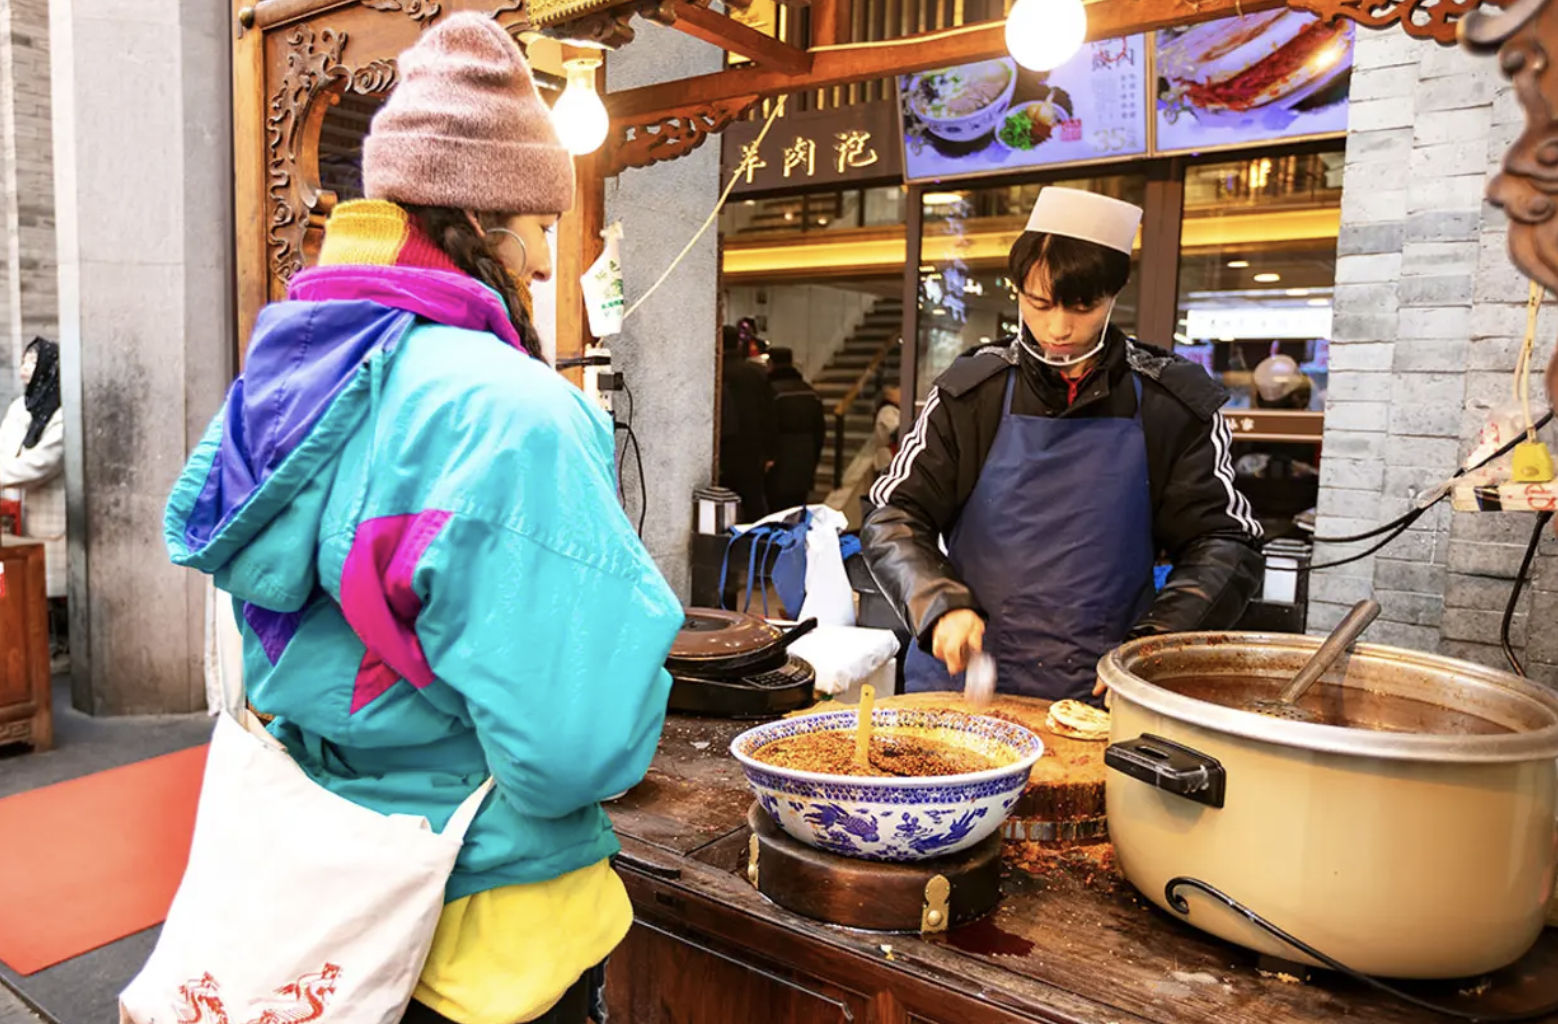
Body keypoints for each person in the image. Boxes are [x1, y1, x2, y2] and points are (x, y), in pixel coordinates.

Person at [162, 16, 682, 1024]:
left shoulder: (285, 385)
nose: (539, 267)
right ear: (482, 224)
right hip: (488, 930)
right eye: (536, 232)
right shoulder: (513, 414)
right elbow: (574, 745)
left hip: (333, 899)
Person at [863, 186, 1263, 703]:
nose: (1058, 328)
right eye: (1040, 303)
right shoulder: (972, 392)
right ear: (1018, 291)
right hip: (963, 681)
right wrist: (937, 602)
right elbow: (893, 514)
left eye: (1082, 306)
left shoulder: (1172, 401)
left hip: (1106, 686)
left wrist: (1154, 648)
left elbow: (1226, 542)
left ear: (1113, 296)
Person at [0, 338, 66, 603]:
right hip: (10, 515)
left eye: (33, 360)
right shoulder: (19, 407)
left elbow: (42, 464)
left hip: (46, 517)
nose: (25, 367)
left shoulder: (62, 411)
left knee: (41, 591)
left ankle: (52, 640)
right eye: (24, 359)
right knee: (11, 593)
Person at [720, 323, 777, 521]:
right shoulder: (756, 373)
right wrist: (770, 452)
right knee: (753, 505)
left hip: (722, 450)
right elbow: (769, 413)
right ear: (738, 344)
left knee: (719, 506)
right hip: (752, 449)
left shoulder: (715, 372)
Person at [764, 346, 826, 513]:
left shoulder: (771, 391)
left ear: (771, 364)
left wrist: (768, 456)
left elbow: (768, 426)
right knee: (797, 510)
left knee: (775, 511)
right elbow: (820, 430)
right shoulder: (809, 392)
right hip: (806, 456)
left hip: (779, 459)